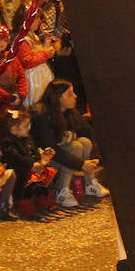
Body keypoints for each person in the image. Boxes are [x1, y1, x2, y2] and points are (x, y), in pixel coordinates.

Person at [30, 79, 106, 209]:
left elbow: (90, 133)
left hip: (61, 155)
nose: (75, 96)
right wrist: (82, 164)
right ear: (58, 97)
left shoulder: (69, 112)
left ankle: (90, 183)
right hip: (42, 160)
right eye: (70, 94)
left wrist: (95, 158)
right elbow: (50, 149)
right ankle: (62, 190)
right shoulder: (42, 114)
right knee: (75, 146)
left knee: (85, 142)